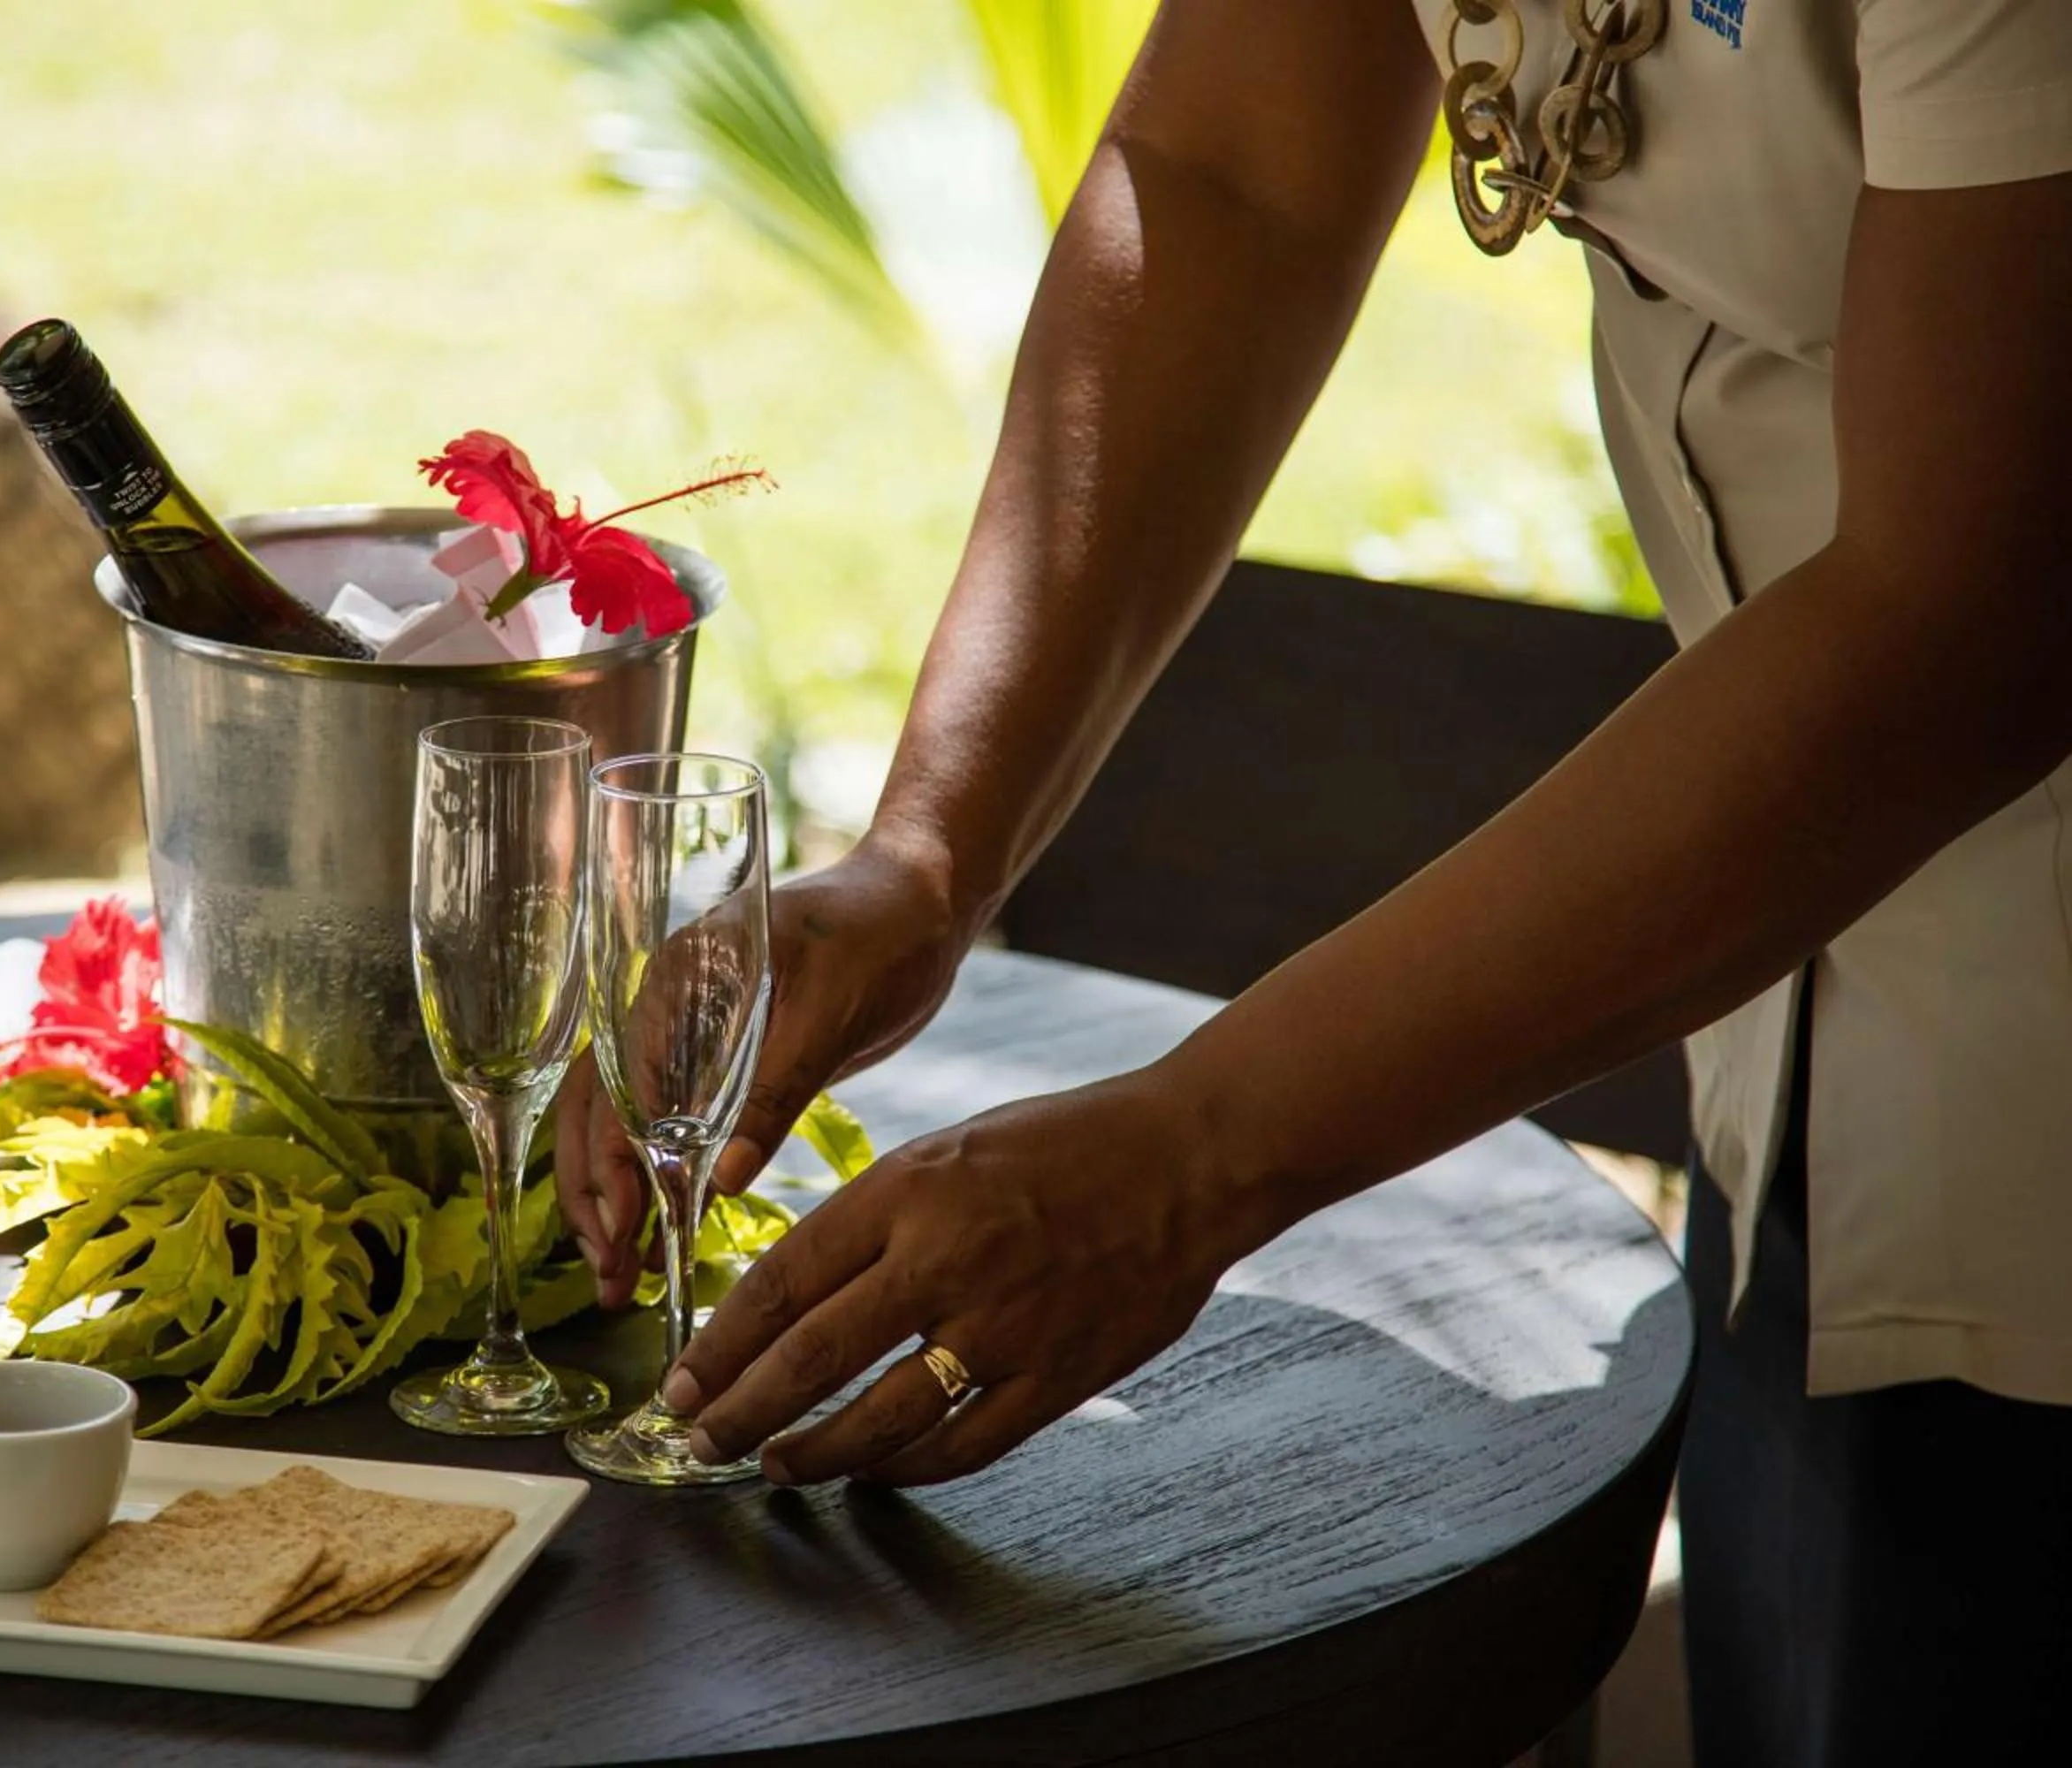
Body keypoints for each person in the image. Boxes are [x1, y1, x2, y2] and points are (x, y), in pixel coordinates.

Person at [550, 1, 2072, 1760]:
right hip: (1809, 1030)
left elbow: (1964, 612)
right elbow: (1230, 174)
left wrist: (1196, 1151)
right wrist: (924, 852)